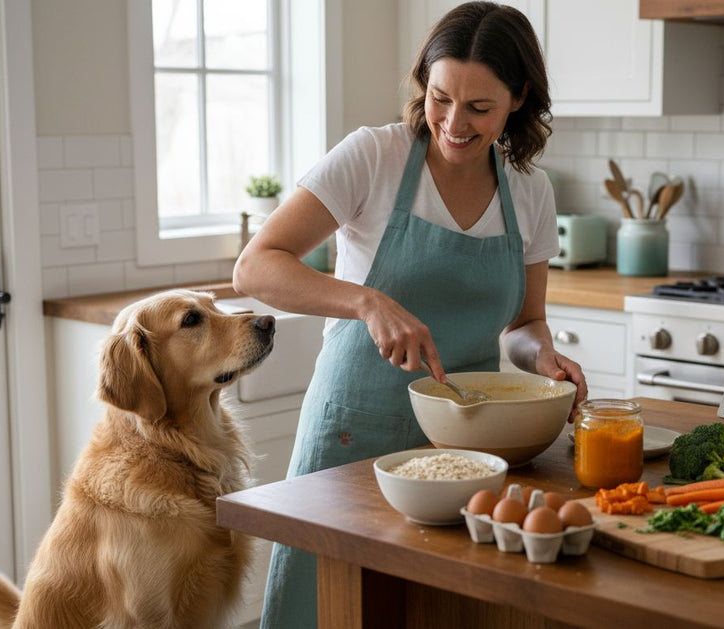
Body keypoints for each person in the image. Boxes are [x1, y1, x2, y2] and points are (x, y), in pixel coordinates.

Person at [232, 2, 587, 626]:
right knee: (326, 606)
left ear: (518, 99)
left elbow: (525, 325)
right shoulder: (373, 156)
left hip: (465, 446)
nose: (453, 123)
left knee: (438, 609)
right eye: (441, 97)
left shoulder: (529, 191)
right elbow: (257, 266)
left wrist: (545, 358)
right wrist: (366, 301)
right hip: (352, 432)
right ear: (424, 82)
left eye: (479, 108)